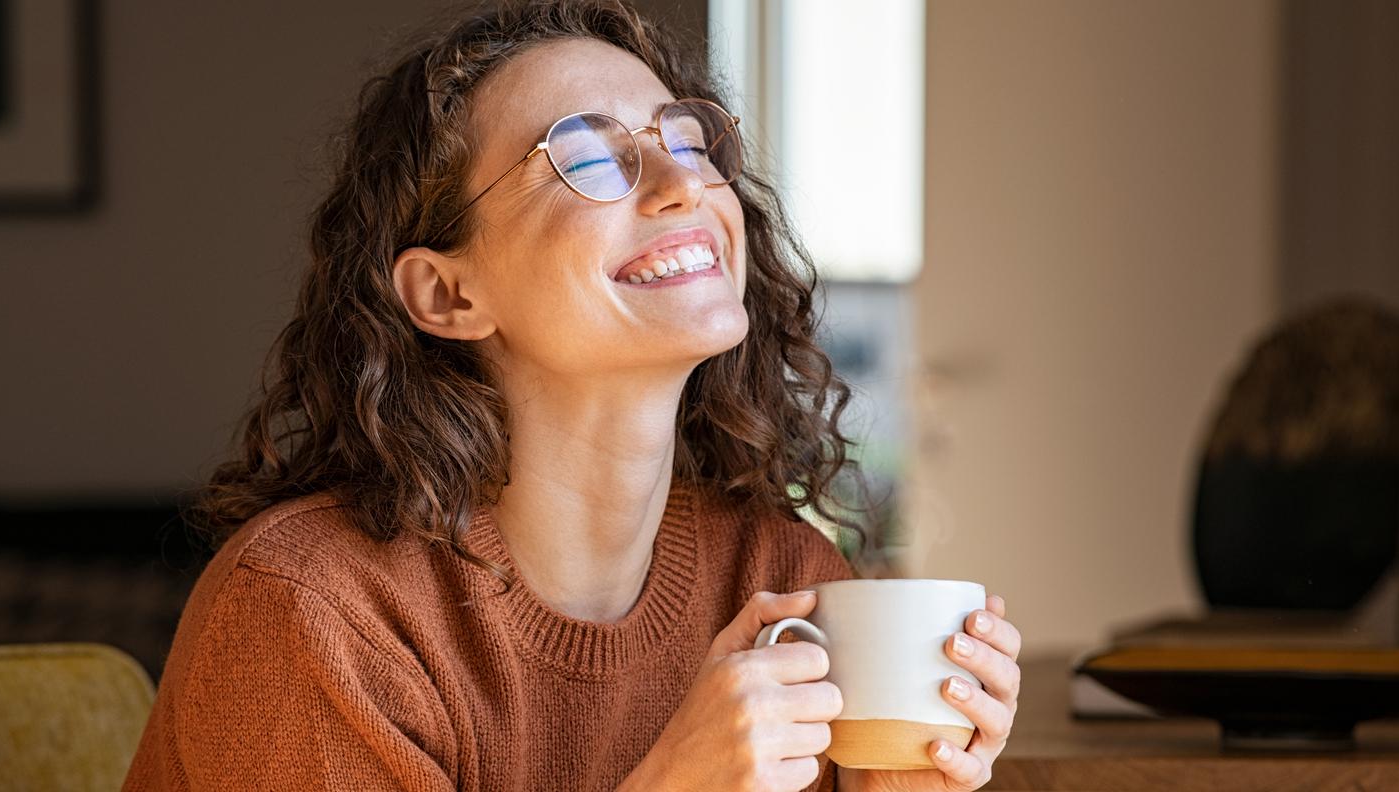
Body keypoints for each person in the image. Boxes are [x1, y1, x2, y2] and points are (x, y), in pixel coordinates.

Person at [121, 1, 1021, 790]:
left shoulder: (783, 584)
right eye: (587, 158)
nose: (685, 184)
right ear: (448, 295)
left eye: (686, 140)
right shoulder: (315, 613)